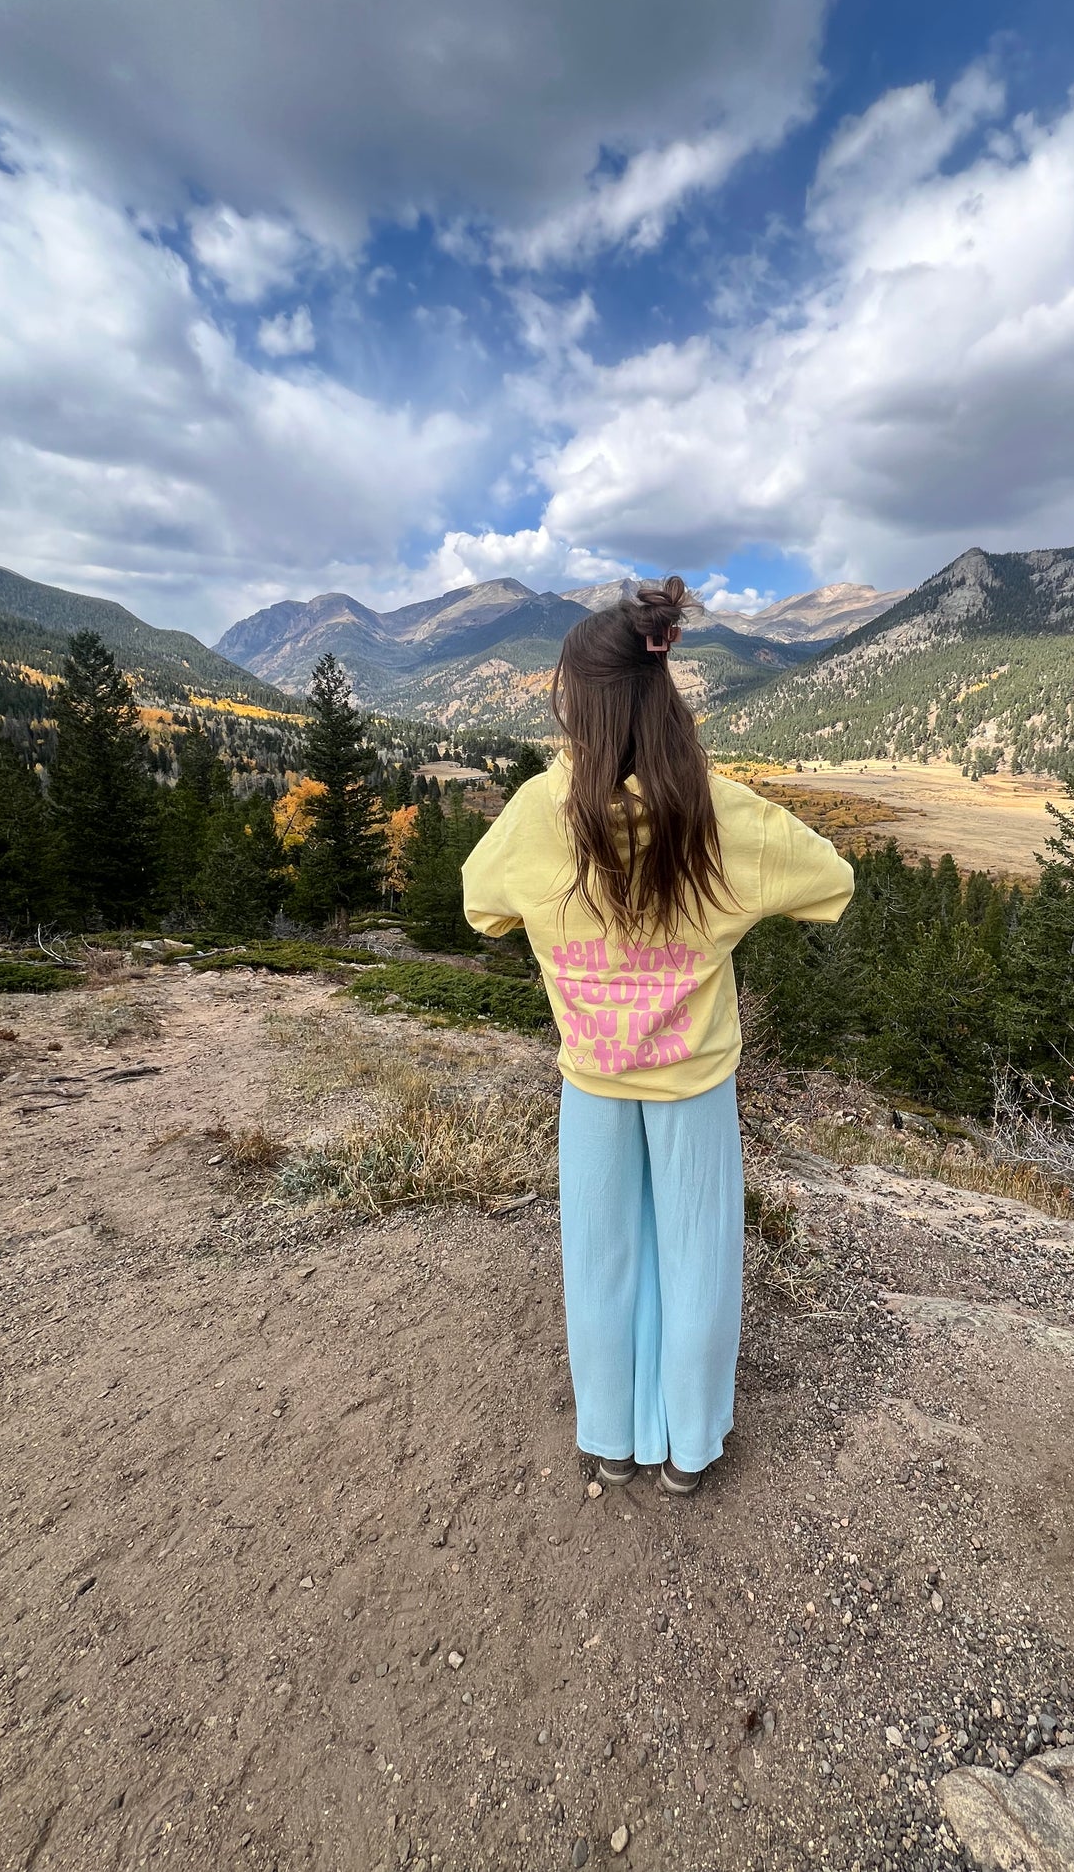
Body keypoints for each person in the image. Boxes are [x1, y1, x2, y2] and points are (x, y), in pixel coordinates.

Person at [462, 577, 853, 1496]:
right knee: (698, 1257)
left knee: (600, 1260)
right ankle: (688, 1448)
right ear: (664, 690)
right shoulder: (720, 813)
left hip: (592, 1077)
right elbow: (830, 881)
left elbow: (481, 907)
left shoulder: (534, 813)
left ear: (579, 709)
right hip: (694, 1082)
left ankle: (609, 1434)